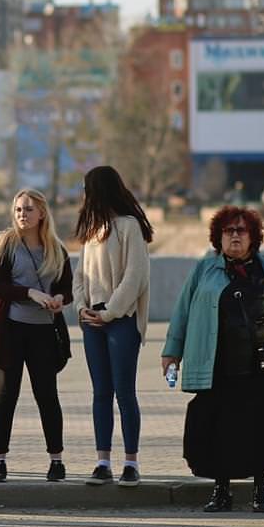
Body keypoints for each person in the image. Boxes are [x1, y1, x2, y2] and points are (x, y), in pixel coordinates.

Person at [162, 207, 264, 513]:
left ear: (253, 236)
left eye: (241, 230)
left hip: (259, 363)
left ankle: (260, 490)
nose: (235, 235)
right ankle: (221, 490)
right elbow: (182, 312)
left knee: (261, 427)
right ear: (218, 237)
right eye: (229, 231)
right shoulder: (204, 269)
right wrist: (172, 352)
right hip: (217, 363)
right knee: (219, 429)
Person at [0, 189, 73, 483]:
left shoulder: (56, 249)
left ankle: (56, 460)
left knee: (47, 396)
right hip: (9, 331)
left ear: (42, 214)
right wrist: (29, 293)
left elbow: (68, 289)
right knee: (6, 395)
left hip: (44, 332)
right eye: (19, 209)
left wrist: (58, 297)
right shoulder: (4, 245)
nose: (23, 214)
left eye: (29, 210)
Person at [72, 165, 152, 487]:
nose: (84, 196)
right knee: (100, 393)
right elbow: (80, 276)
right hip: (92, 322)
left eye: (87, 189)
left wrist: (110, 312)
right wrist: (81, 308)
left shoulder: (129, 227)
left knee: (124, 392)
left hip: (121, 322)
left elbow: (134, 277)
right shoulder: (92, 231)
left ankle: (130, 463)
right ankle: (102, 461)